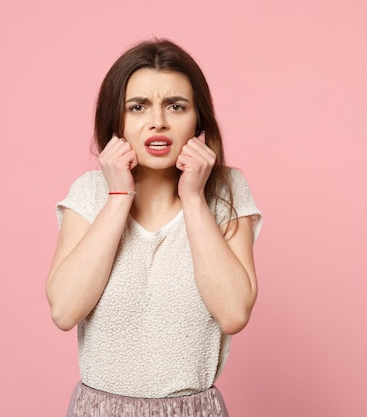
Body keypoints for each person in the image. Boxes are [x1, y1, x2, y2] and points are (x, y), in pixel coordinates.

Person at [46, 38, 262, 417]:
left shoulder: (227, 192)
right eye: (138, 107)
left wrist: (194, 198)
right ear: (117, 121)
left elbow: (233, 314)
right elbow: (64, 311)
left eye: (176, 106)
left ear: (199, 121)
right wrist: (118, 196)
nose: (158, 121)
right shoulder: (90, 193)